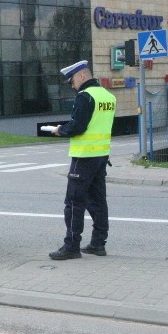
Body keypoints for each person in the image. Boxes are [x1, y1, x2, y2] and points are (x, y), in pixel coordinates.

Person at [49, 60, 116, 260]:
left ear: (81, 76)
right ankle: (98, 244)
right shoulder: (107, 96)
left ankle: (71, 246)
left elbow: (78, 126)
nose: (72, 85)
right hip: (101, 156)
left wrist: (60, 130)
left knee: (73, 202)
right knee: (98, 201)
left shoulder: (85, 96)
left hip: (84, 156)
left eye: (72, 81)